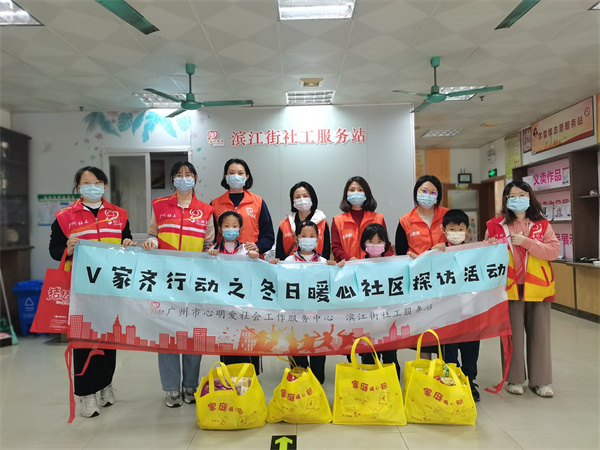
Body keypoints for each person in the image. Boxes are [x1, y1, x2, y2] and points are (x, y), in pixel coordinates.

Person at [49, 166, 136, 418]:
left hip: (110, 286)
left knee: (109, 338)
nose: (93, 187)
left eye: (97, 182)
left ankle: (105, 384)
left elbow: (126, 240)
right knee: (84, 340)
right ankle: (86, 394)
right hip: (82, 289)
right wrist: (68, 248)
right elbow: (54, 250)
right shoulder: (65, 217)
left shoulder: (119, 215)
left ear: (105, 186)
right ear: (78, 187)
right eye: (86, 183)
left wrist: (128, 244)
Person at [141, 161, 215, 408]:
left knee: (193, 334)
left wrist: (212, 252)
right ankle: (171, 388)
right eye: (179, 175)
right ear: (172, 179)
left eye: (189, 174)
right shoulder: (160, 205)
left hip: (195, 281)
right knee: (167, 333)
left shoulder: (206, 210)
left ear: (196, 178)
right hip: (166, 280)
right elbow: (153, 234)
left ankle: (190, 385)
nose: (184, 178)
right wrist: (151, 242)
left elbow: (209, 244)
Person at [486, 180, 560, 398]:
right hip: (508, 287)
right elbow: (486, 255)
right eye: (512, 196)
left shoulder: (542, 224)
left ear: (530, 197)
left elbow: (553, 251)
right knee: (512, 335)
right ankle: (514, 379)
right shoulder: (495, 225)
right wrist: (490, 246)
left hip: (537, 287)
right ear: (506, 200)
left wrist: (527, 242)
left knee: (540, 335)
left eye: (522, 195)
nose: (517, 200)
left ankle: (541, 381)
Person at [211, 158, 275, 373]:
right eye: (231, 172)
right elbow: (210, 238)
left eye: (240, 172)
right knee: (227, 321)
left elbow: (268, 236)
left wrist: (257, 247)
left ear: (247, 176)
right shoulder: (215, 203)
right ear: (225, 176)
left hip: (251, 272)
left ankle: (251, 374)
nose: (236, 176)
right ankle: (228, 371)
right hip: (224, 274)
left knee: (250, 322)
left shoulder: (258, 202)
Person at [271, 220, 342, 383]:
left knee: (318, 359)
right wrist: (273, 267)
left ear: (318, 238)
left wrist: (335, 269)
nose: (308, 239)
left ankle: (316, 389)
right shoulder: (288, 262)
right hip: (295, 320)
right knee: (297, 359)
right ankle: (300, 390)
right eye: (304, 235)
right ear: (297, 238)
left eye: (312, 236)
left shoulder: (324, 262)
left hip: (318, 320)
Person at [396, 174, 448, 359]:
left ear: (438, 195)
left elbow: (459, 241)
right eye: (424, 191)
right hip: (420, 281)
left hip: (445, 281)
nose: (428, 195)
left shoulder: (447, 216)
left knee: (445, 327)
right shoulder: (405, 221)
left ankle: (444, 369)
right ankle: (424, 369)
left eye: (433, 192)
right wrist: (409, 258)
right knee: (423, 328)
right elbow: (400, 254)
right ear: (416, 193)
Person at [439, 209, 481, 402]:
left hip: (470, 311)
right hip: (447, 313)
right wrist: (431, 252)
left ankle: (469, 381)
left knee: (471, 349)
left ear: (467, 231)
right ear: (444, 230)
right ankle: (451, 381)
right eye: (452, 229)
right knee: (449, 350)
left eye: (461, 229)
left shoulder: (475, 252)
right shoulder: (437, 252)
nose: (456, 233)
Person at [358, 223, 401, 378]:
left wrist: (412, 261)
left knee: (390, 358)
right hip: (367, 323)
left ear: (385, 244)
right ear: (364, 243)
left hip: (389, 321)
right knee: (368, 359)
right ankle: (371, 387)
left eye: (379, 241)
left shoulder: (393, 265)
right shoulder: (356, 266)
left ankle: (391, 386)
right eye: (370, 241)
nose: (375, 245)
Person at [331, 176, 392, 262]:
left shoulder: (378, 218)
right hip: (348, 266)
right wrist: (349, 260)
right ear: (346, 194)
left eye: (360, 190)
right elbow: (336, 247)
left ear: (366, 193)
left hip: (373, 265)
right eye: (352, 190)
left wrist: (388, 260)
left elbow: (386, 245)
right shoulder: (338, 221)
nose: (356, 193)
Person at [276, 181, 330, 261]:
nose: (301, 200)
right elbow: (279, 253)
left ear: (312, 198)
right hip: (290, 267)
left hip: (317, 266)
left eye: (305, 196)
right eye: (297, 197)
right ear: (293, 201)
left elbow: (326, 252)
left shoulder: (323, 224)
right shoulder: (284, 224)